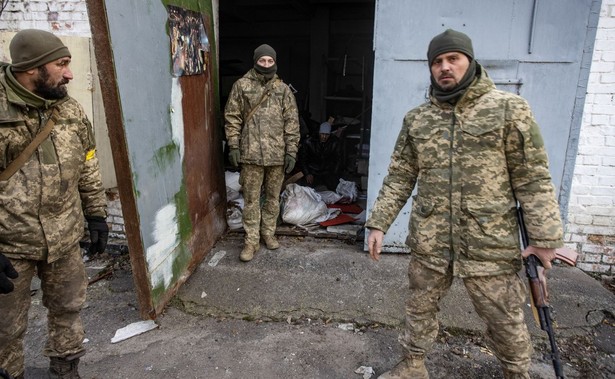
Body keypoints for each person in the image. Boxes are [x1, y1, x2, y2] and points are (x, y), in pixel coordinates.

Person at [365, 29, 564, 379]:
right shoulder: (417, 119)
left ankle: (517, 373)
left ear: (470, 61)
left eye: (453, 59)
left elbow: (532, 178)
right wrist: (379, 223)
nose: (445, 67)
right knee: (419, 307)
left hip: (489, 239)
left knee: (503, 315)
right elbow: (399, 175)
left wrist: (544, 239)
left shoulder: (508, 109)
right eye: (437, 62)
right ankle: (413, 365)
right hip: (431, 237)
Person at [0, 29, 109, 379]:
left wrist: (96, 214)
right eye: (61, 64)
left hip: (64, 238)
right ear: (31, 68)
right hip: (10, 245)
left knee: (68, 309)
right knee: (4, 328)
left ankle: (65, 369)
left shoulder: (69, 108)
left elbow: (88, 160)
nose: (70, 73)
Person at [224, 43, 300, 262]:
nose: (266, 64)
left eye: (270, 61)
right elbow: (232, 117)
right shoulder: (242, 86)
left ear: (275, 62)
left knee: (273, 198)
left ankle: (268, 233)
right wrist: (234, 146)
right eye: (262, 60)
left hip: (277, 155)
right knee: (251, 200)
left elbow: (292, 122)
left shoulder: (283, 89)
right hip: (251, 155)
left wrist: (291, 151)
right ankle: (251, 241)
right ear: (255, 61)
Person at [299, 118, 343, 191]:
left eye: (327, 135)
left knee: (336, 188)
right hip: (313, 171)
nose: (324, 137)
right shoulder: (309, 142)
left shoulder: (335, 142)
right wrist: (307, 173)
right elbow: (302, 159)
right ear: (319, 133)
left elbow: (339, 159)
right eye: (322, 134)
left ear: (330, 134)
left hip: (328, 171)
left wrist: (334, 174)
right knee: (305, 190)